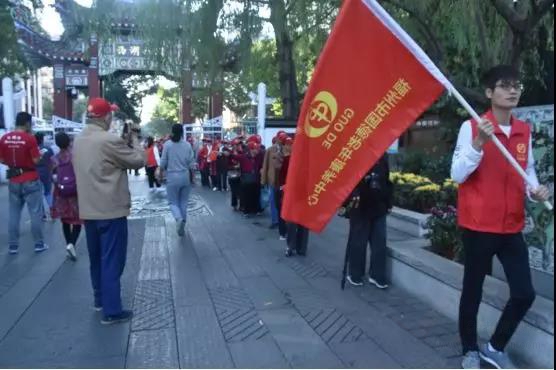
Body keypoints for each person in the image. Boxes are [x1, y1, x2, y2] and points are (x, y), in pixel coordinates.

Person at [451, 65, 550, 369]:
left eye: (516, 85)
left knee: (524, 293)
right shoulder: (472, 128)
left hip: (511, 226)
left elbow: (527, 169)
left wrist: (535, 189)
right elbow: (457, 174)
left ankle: (494, 347)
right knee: (473, 291)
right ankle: (469, 349)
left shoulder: (523, 130)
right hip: (479, 226)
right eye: (505, 86)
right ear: (489, 93)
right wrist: (479, 144)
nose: (513, 90)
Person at [73, 97, 145, 325]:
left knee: (96, 259)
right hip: (110, 211)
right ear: (105, 117)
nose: (112, 116)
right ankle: (112, 311)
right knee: (112, 260)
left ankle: (100, 300)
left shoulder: (79, 139)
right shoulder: (107, 140)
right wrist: (134, 137)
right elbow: (138, 160)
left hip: (88, 211)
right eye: (111, 113)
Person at [0, 112, 48, 254]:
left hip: (14, 178)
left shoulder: (4, 138)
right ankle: (39, 244)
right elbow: (36, 161)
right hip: (30, 178)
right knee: (35, 213)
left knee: (14, 214)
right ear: (27, 123)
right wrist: (41, 155)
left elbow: (2, 160)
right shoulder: (30, 139)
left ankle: (13, 246)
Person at [344, 155, 393, 288]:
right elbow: (347, 179)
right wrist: (353, 195)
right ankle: (355, 273)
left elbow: (386, 181)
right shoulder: (357, 153)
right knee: (359, 242)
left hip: (379, 206)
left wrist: (388, 203)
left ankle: (377, 275)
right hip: (360, 206)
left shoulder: (383, 157)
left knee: (379, 242)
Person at [51, 132, 82, 261]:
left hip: (61, 193)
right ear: (69, 142)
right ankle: (72, 244)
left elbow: (53, 178)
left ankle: (69, 243)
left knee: (65, 220)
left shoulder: (54, 159)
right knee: (78, 220)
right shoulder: (75, 156)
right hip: (75, 192)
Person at [161, 124, 195, 237]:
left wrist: (160, 173)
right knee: (184, 202)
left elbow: (163, 162)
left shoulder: (167, 145)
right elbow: (192, 163)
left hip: (172, 177)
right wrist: (193, 176)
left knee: (173, 202)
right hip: (185, 177)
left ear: (172, 132)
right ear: (182, 133)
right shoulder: (187, 145)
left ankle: (178, 218)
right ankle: (183, 223)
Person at [279, 137, 309, 256]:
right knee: (291, 223)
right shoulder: (287, 160)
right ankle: (290, 246)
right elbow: (281, 176)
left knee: (303, 223)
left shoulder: (309, 161)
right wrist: (283, 186)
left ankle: (301, 247)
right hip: (291, 194)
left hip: (304, 195)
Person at [262, 133, 287, 229]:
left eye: (283, 139)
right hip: (273, 180)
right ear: (277, 139)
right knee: (273, 201)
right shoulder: (270, 150)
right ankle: (275, 220)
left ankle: (283, 220)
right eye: (280, 139)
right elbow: (265, 165)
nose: (281, 141)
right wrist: (263, 180)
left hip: (284, 181)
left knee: (283, 202)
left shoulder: (288, 150)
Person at [234, 140, 263, 217]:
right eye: (255, 149)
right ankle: (246, 211)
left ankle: (256, 210)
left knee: (256, 195)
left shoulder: (259, 156)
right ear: (251, 149)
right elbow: (233, 157)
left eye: (257, 149)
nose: (257, 150)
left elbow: (262, 165)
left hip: (256, 179)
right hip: (246, 179)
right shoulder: (243, 156)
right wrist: (235, 148)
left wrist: (261, 169)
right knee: (246, 196)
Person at [34, 132, 55, 220]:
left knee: (38, 194)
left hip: (35, 173)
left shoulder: (33, 149)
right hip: (46, 172)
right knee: (48, 193)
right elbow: (53, 161)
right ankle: (52, 212)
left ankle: (42, 214)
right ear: (42, 139)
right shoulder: (48, 149)